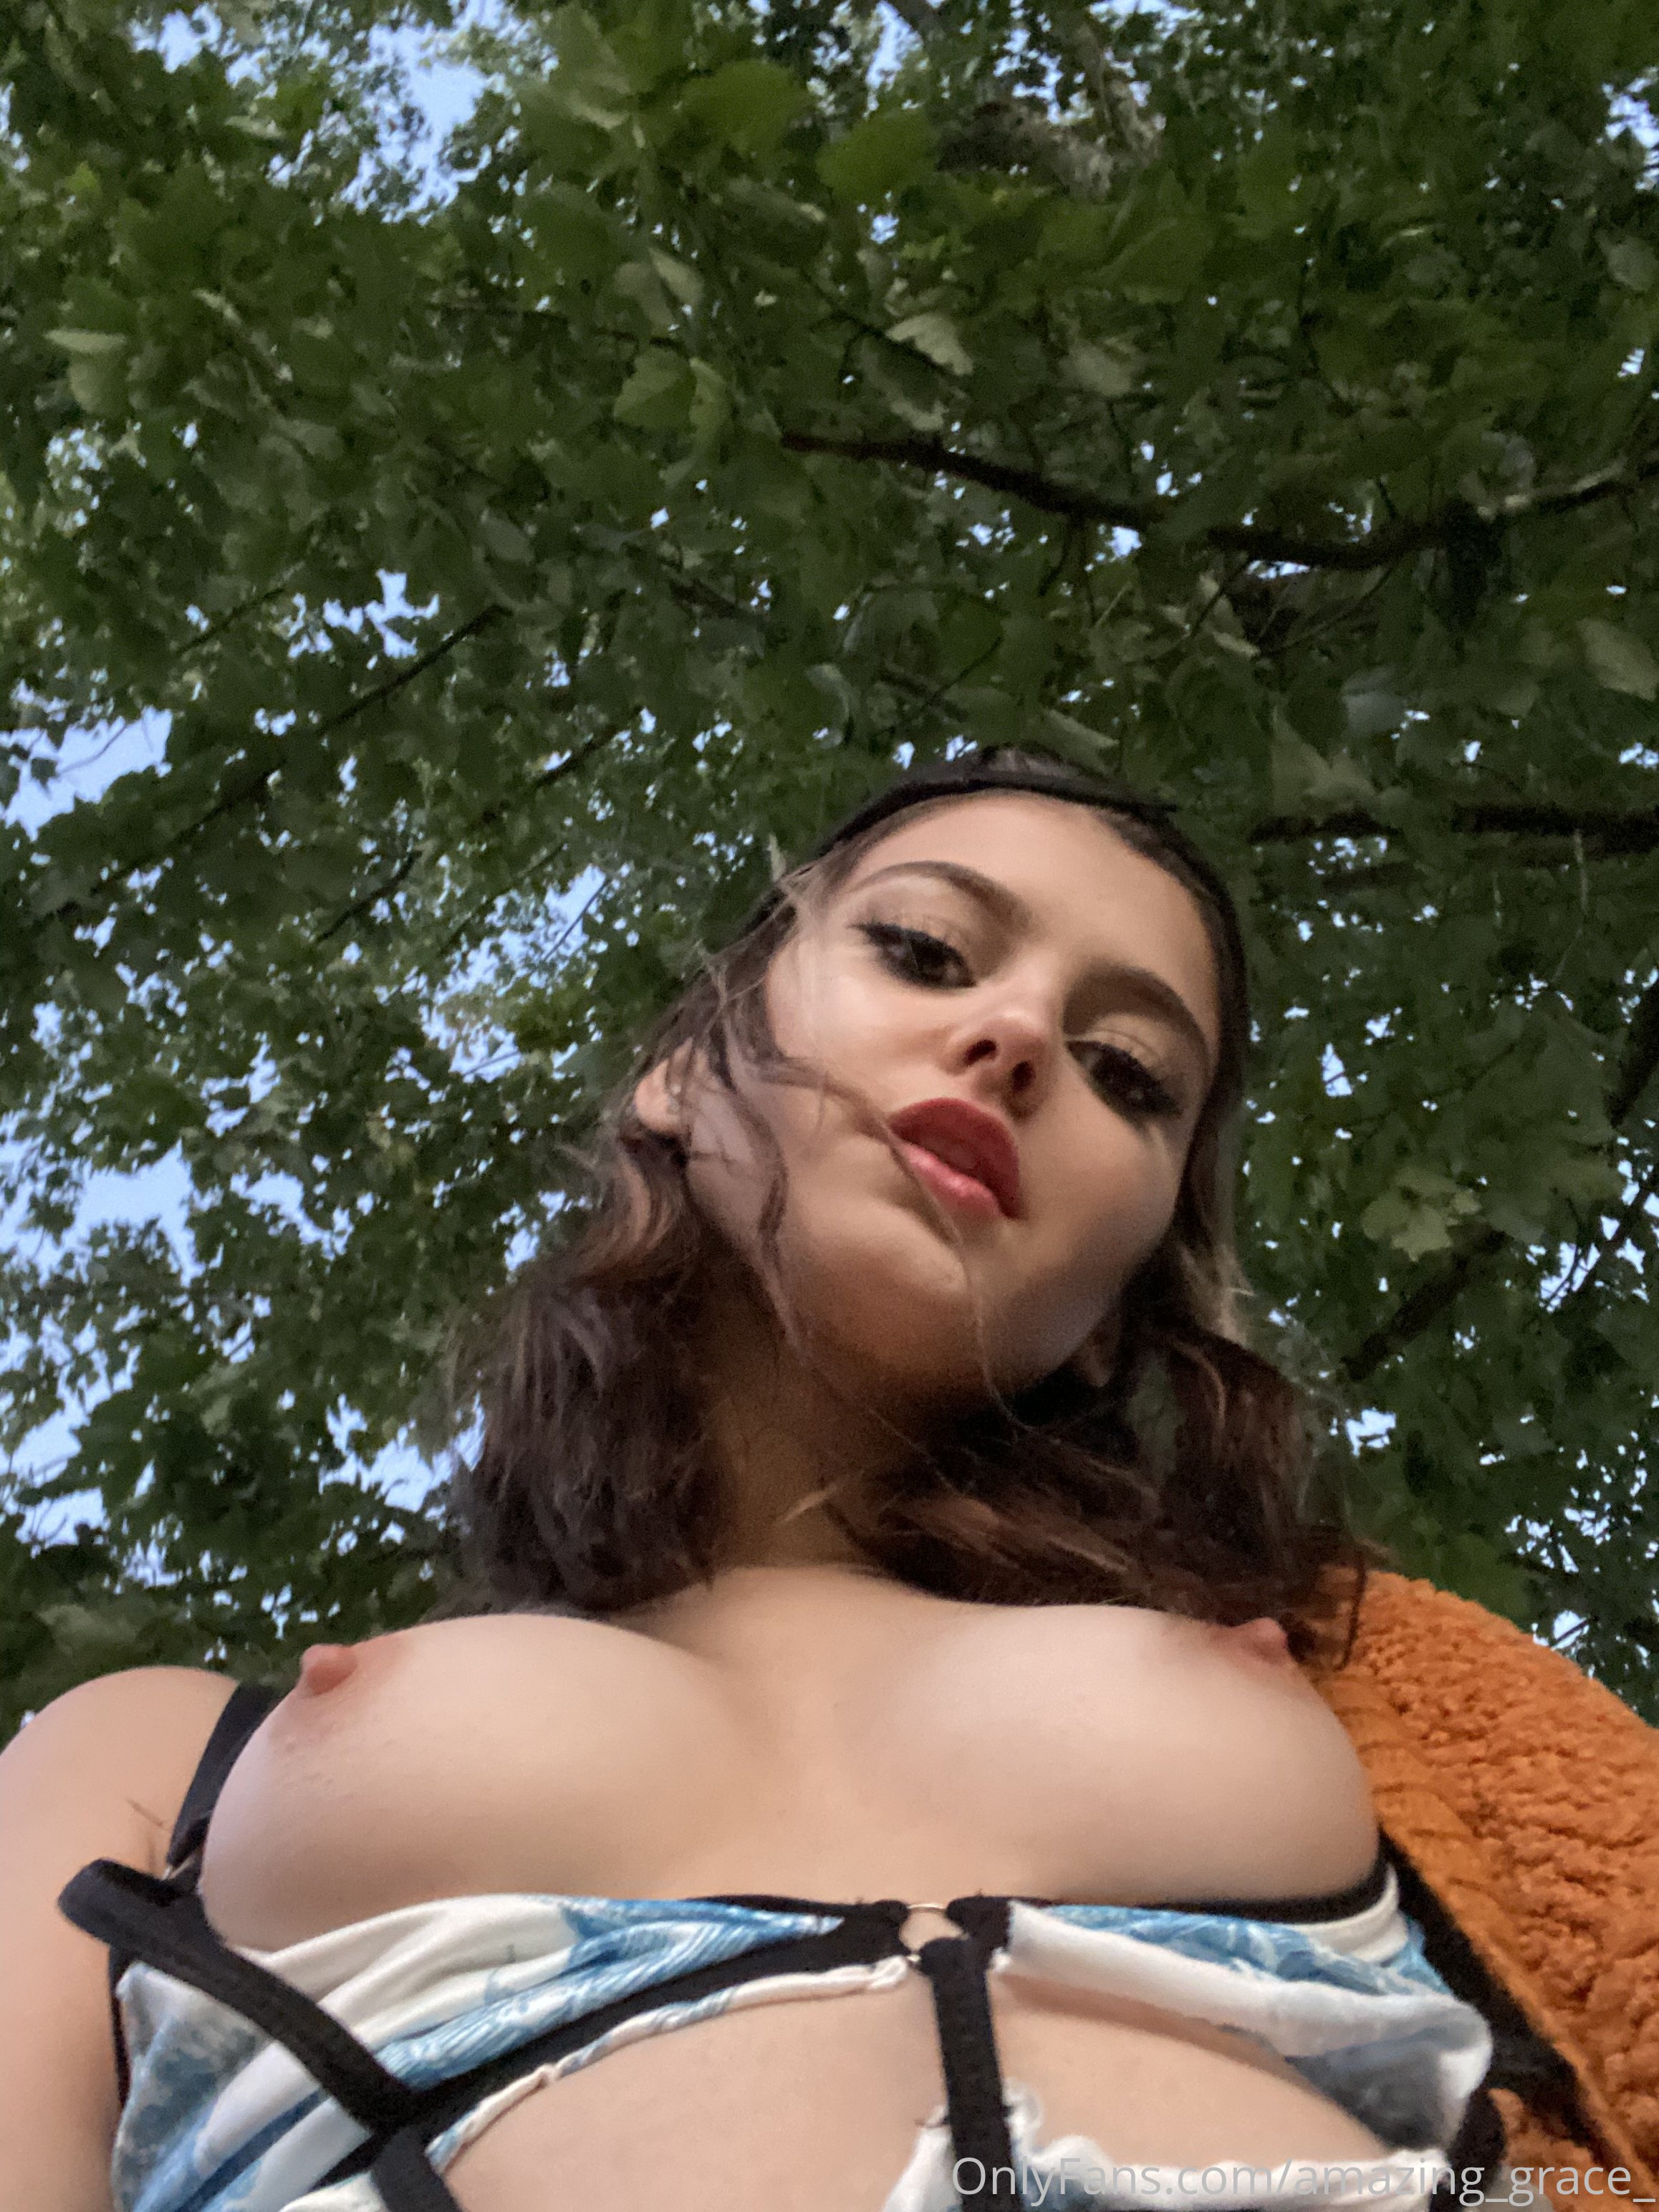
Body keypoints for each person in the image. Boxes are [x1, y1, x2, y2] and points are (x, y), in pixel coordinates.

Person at [1, 750, 1651, 2212]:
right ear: (676, 1069)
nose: (1018, 1036)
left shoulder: (1337, 1668)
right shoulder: (155, 1752)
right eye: (924, 947)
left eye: (1129, 1071)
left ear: (1119, 1305)